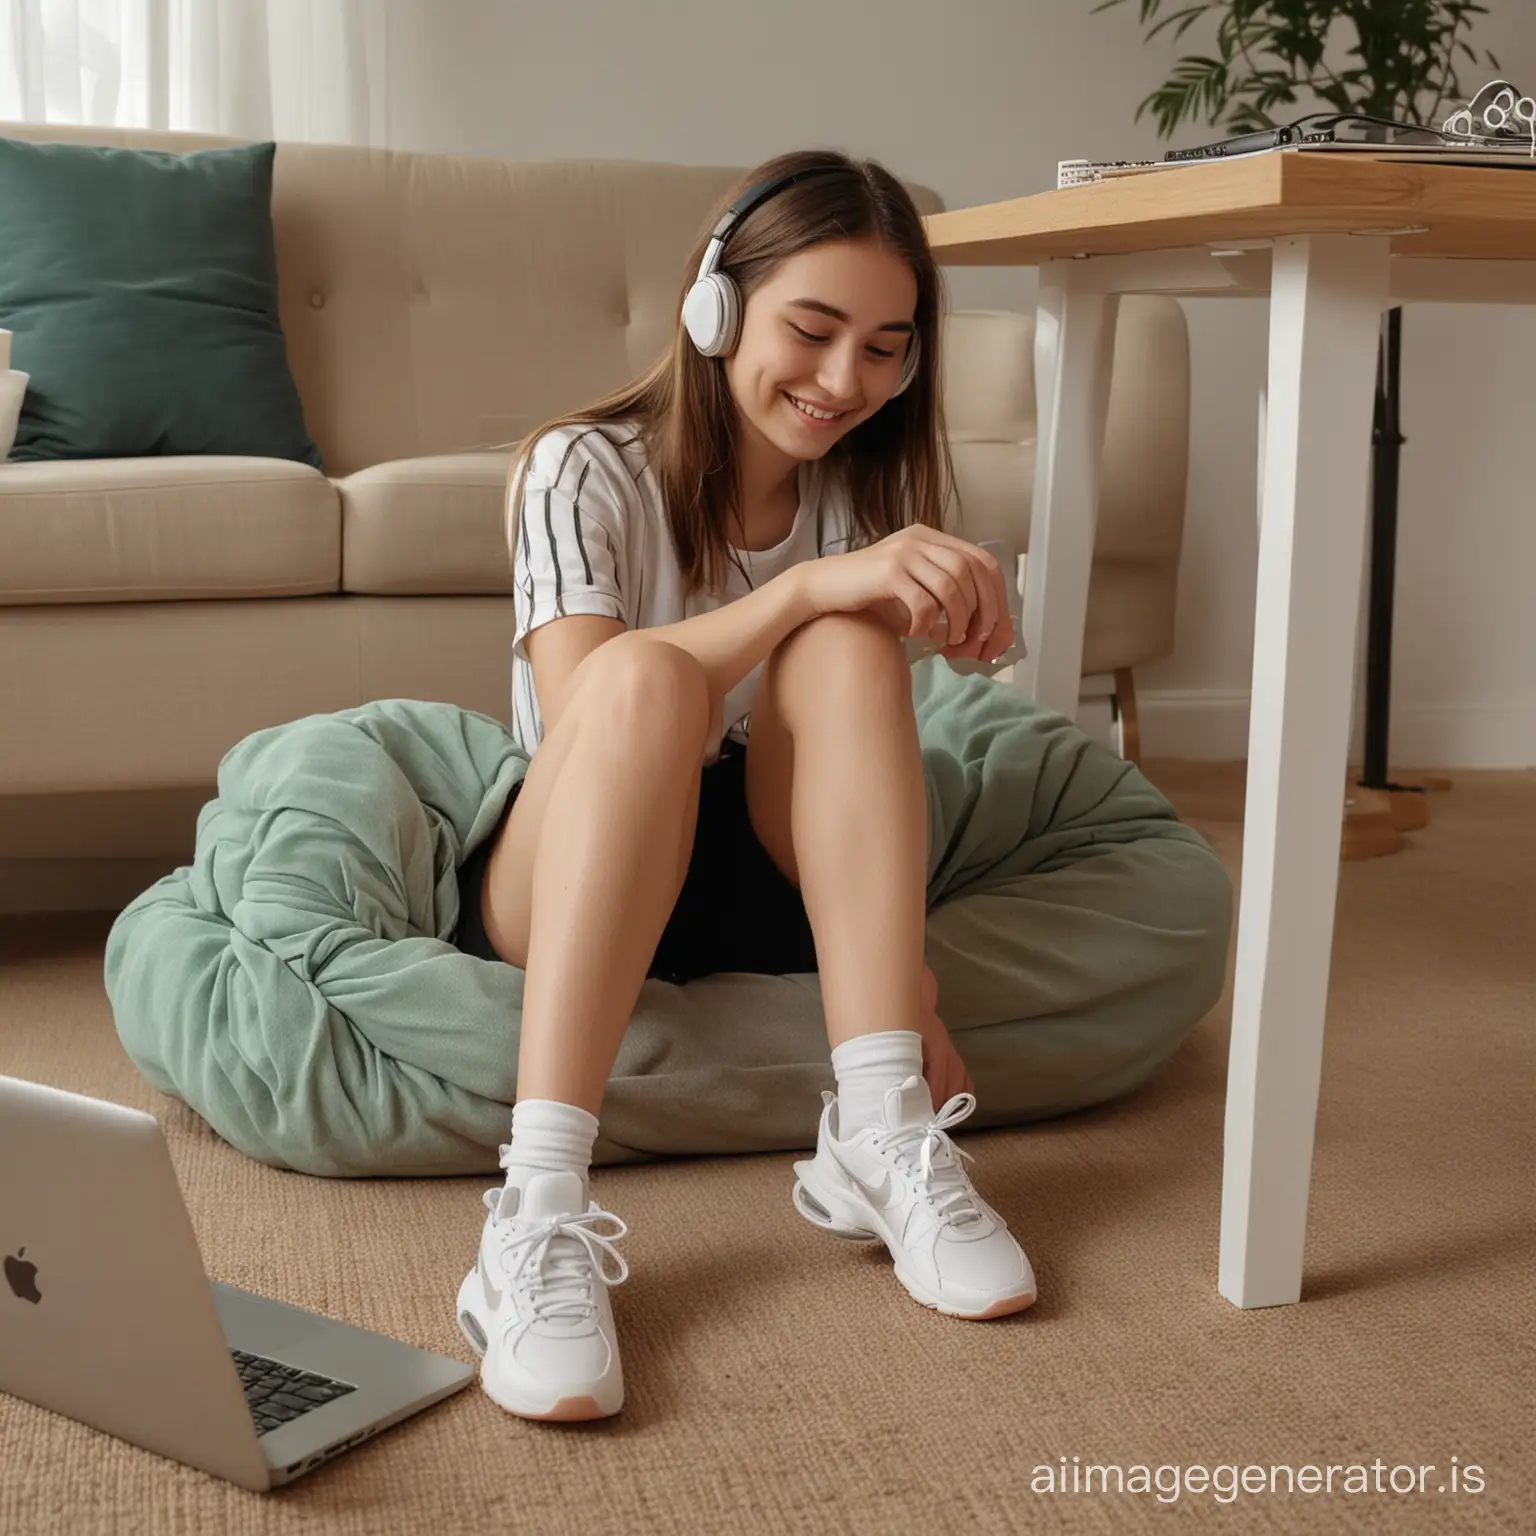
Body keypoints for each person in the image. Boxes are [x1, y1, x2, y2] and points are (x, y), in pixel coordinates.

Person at [452, 150, 1036, 1425]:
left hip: (767, 880)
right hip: (574, 872)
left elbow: (849, 758)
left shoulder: (867, 491)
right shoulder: (578, 467)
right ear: (716, 308)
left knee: (849, 639)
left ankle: (878, 1131)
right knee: (662, 680)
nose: (844, 382)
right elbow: (592, 704)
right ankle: (535, 1210)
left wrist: (912, 984)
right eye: (813, 330)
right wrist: (805, 588)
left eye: (886, 348)